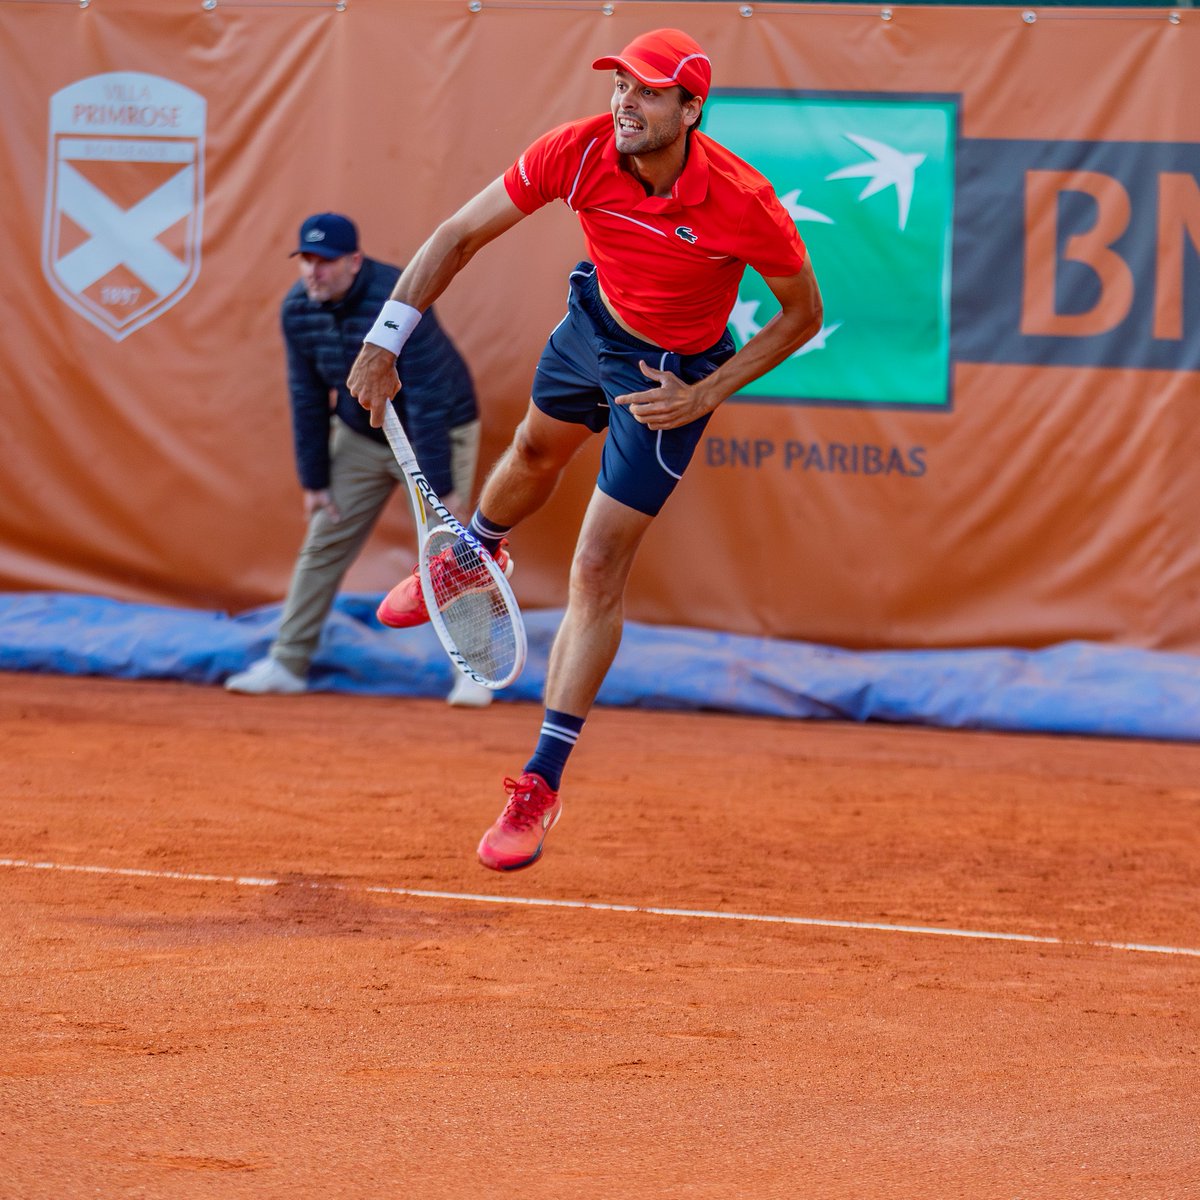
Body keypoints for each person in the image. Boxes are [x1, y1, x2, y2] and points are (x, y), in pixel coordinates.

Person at [348, 30, 823, 869]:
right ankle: (469, 555)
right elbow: (458, 233)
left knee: (597, 564)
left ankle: (540, 781)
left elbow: (801, 314)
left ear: (691, 108)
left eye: (646, 91)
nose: (625, 103)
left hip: (670, 378)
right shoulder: (579, 151)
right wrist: (386, 339)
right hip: (590, 329)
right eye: (620, 86)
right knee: (533, 451)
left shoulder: (743, 201)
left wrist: (705, 393)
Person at [225, 212, 494, 708]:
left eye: (324, 262)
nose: (313, 272)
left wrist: (442, 487)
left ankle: (475, 670)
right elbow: (306, 395)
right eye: (305, 260)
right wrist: (315, 480)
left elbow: (429, 395)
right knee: (322, 542)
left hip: (435, 430)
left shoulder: (399, 299)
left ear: (354, 261)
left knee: (453, 554)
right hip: (361, 435)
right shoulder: (297, 310)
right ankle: (287, 663)